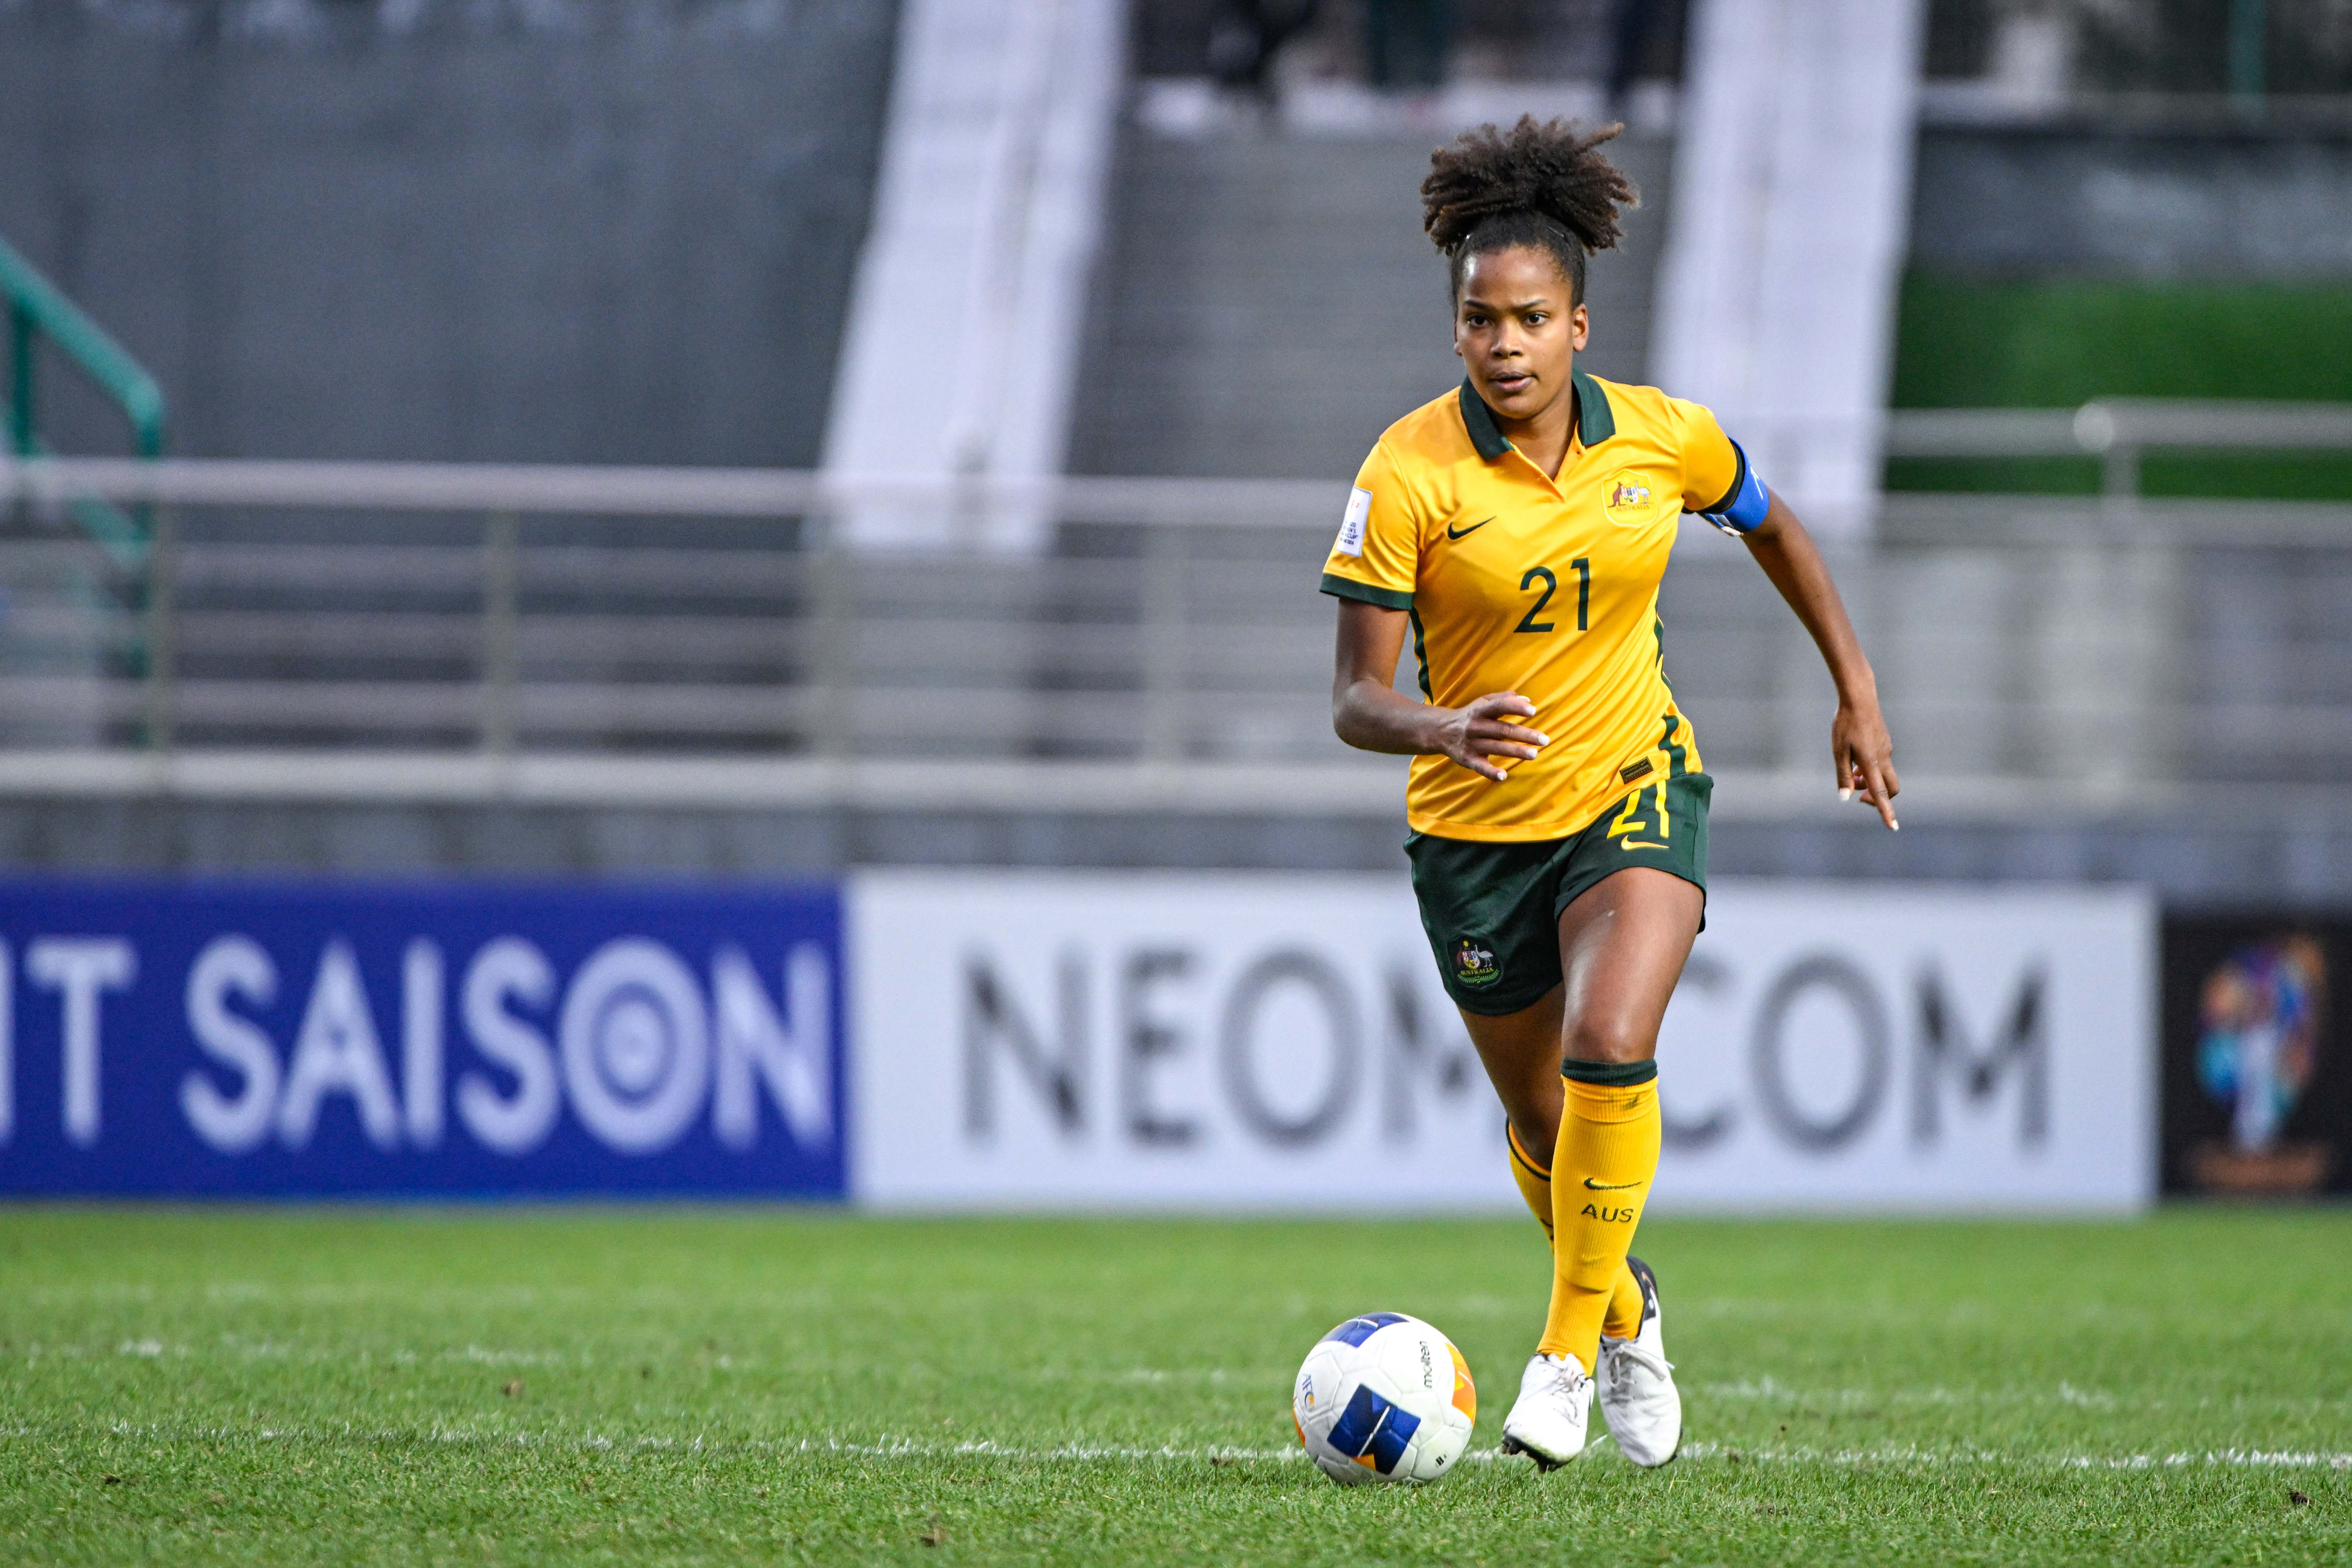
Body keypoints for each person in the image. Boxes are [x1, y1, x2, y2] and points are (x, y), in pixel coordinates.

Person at [1322, 116, 1899, 1470]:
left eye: (1529, 319)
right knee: (1538, 1122)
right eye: (1479, 322)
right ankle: (1630, 1307)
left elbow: (1775, 525)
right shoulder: (1405, 474)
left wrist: (1854, 687)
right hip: (1472, 838)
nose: (1504, 345)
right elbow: (1353, 699)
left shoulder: (1664, 440)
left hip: (1633, 784)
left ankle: (1565, 1357)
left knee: (1610, 1042)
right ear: (1455, 329)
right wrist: (1436, 722)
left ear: (1580, 324)